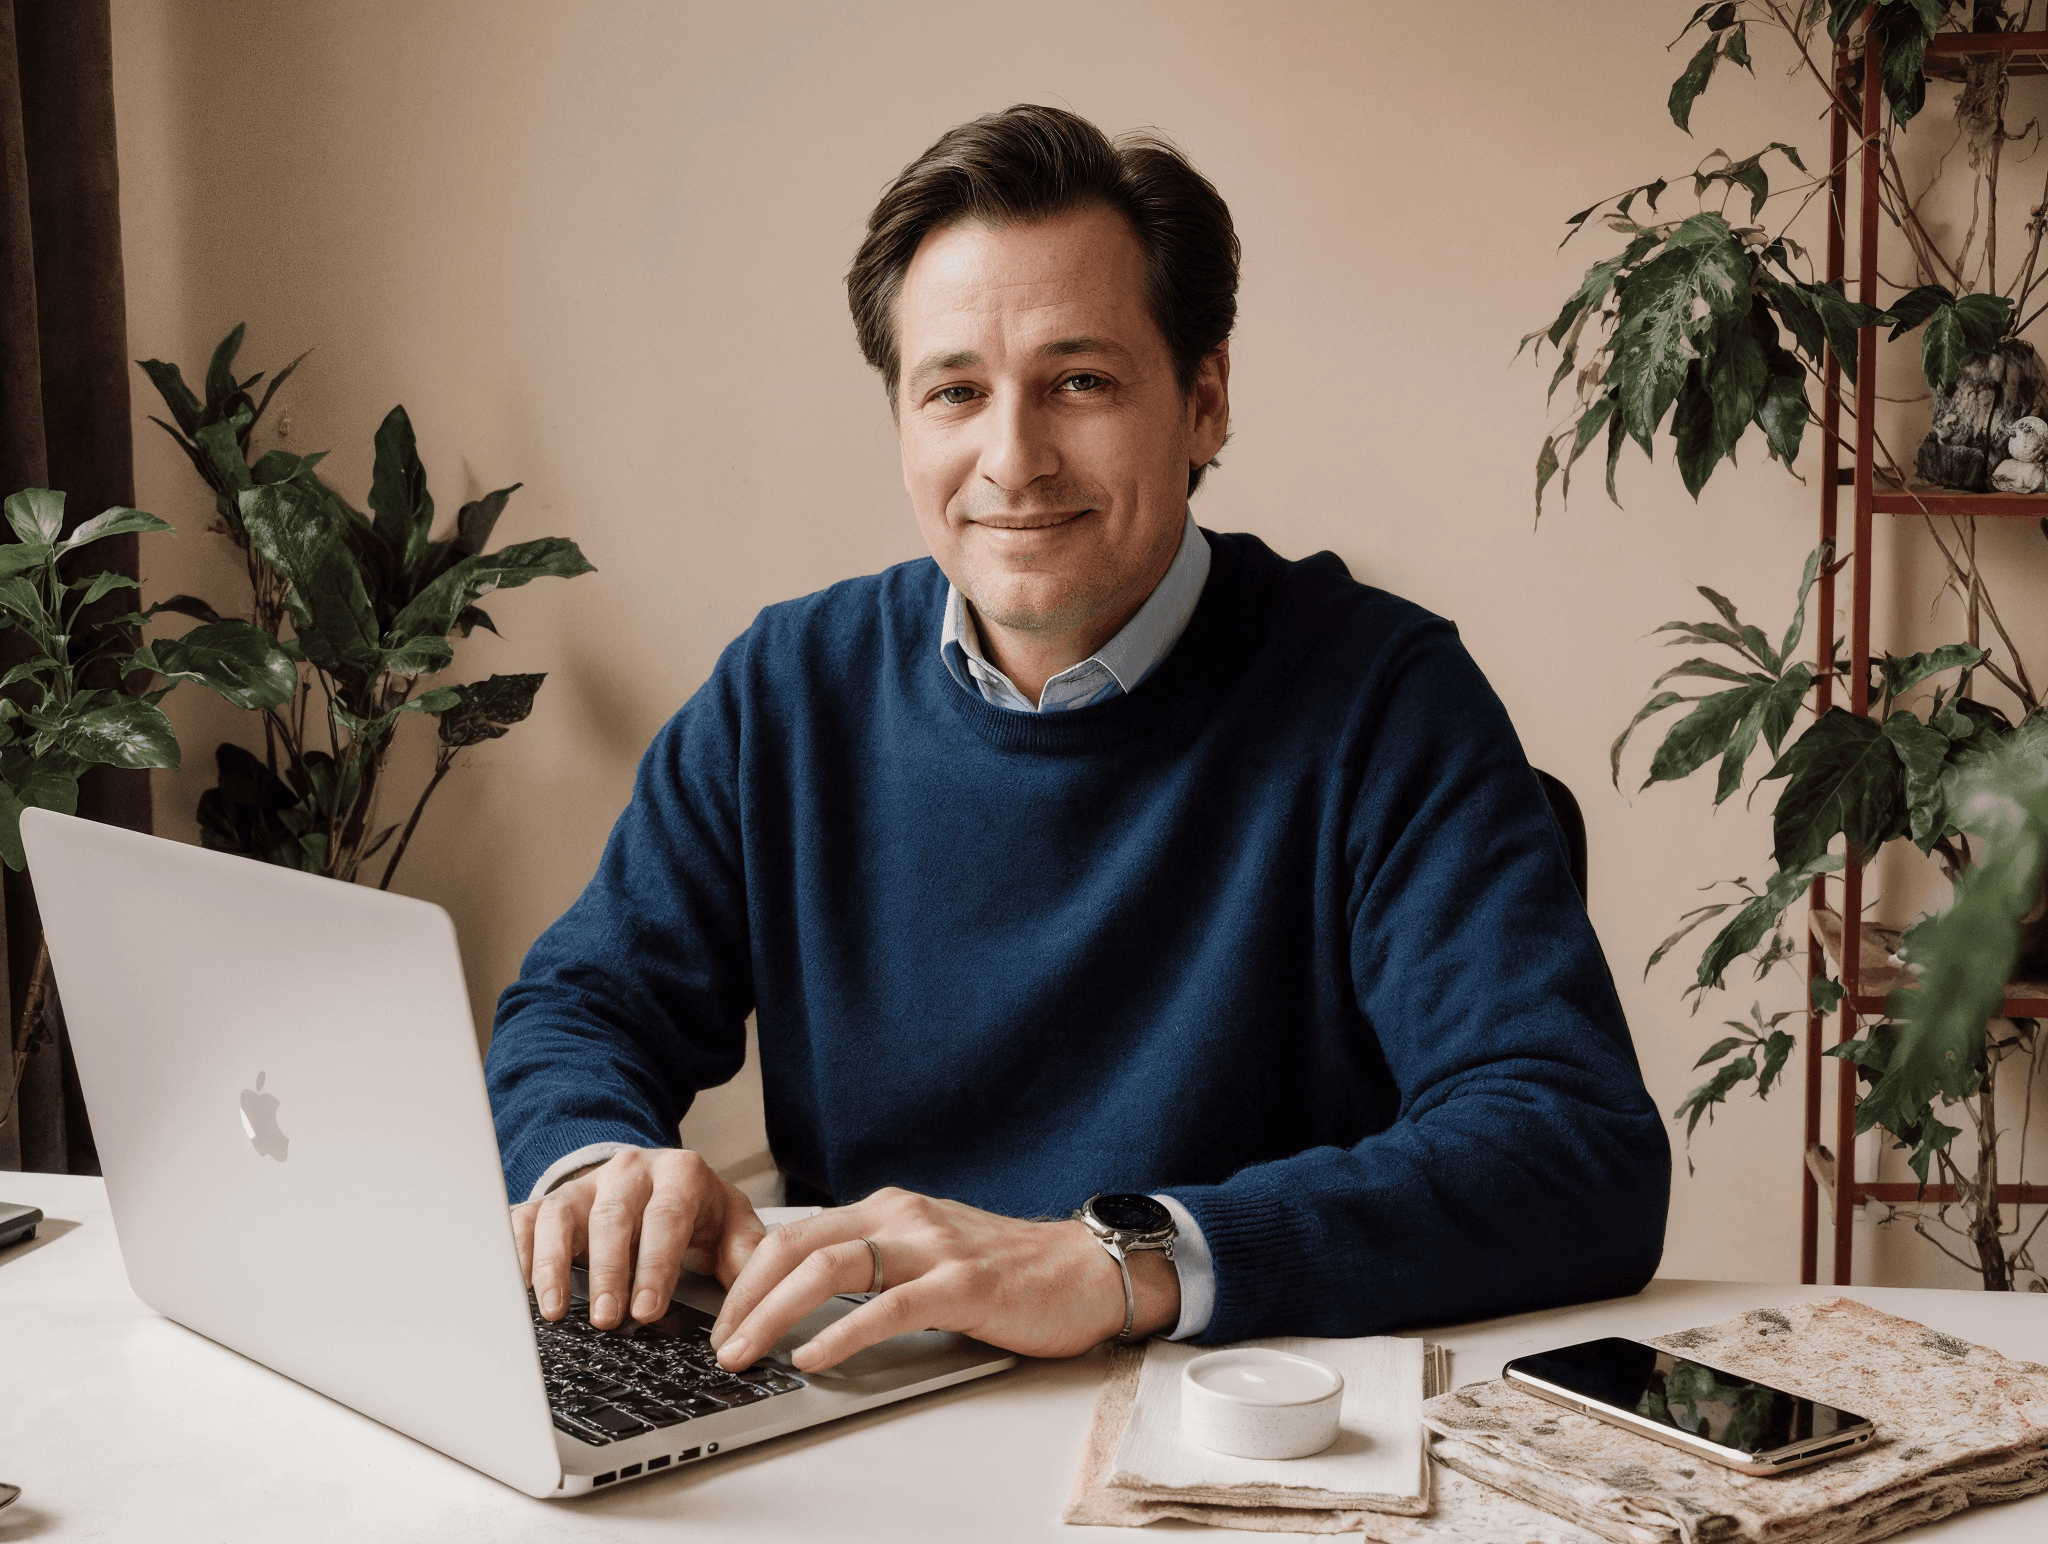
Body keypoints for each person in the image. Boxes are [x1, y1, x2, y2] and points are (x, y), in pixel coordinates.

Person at [485, 104, 1669, 1378]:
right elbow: (579, 1003)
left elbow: (1570, 1144)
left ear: (1202, 401)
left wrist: (1119, 1259)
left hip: (1224, 1419)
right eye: (955, 392)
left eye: (1080, 382)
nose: (1012, 459)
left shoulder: (1382, 698)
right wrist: (603, 1169)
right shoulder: (785, 688)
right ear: (901, 421)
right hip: (860, 1398)